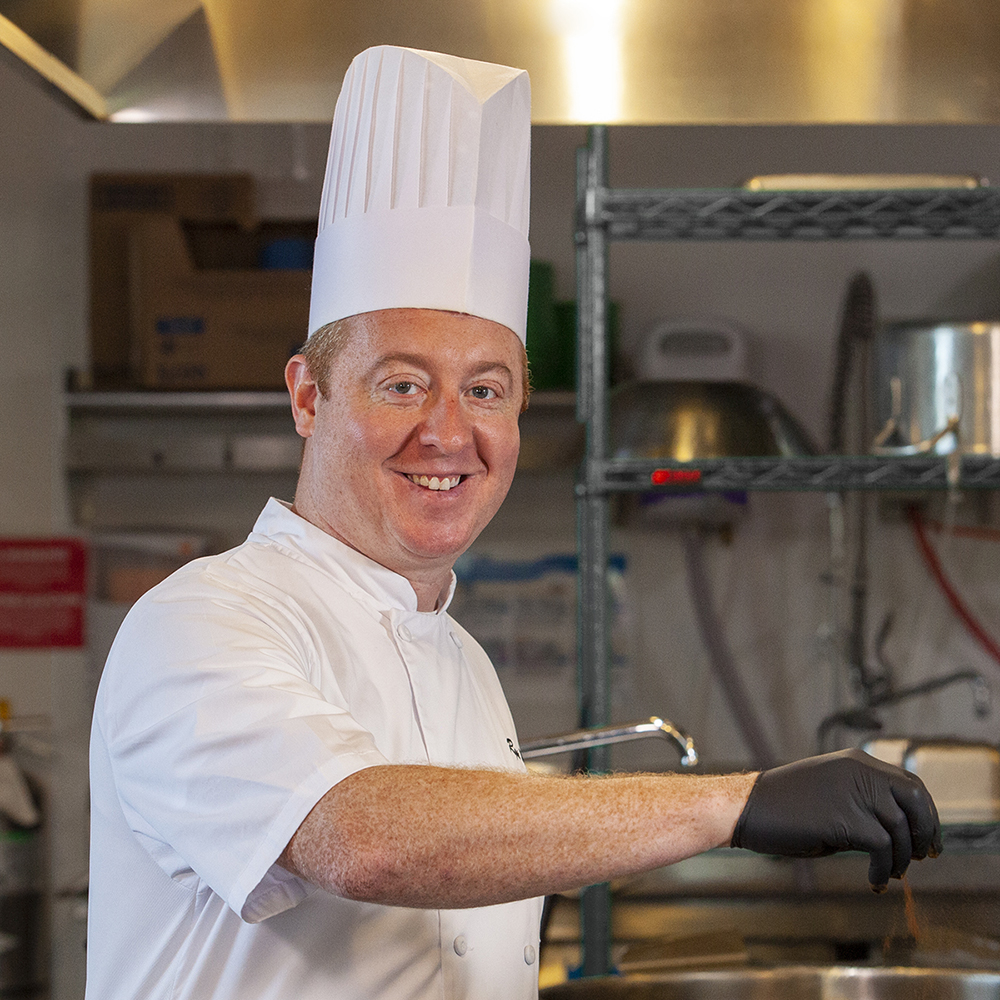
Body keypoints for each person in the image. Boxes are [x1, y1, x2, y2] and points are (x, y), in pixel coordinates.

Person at [86, 45, 941, 1000]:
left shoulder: (464, 667)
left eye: (485, 389)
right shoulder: (201, 623)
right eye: (402, 382)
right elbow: (361, 837)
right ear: (307, 395)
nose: (448, 433)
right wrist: (736, 804)